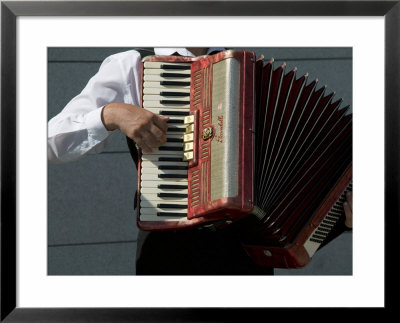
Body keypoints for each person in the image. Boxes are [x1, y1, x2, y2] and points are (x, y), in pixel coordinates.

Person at [48, 47, 352, 275]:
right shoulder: (133, 64)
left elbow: (292, 177)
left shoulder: (244, 68)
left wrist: (344, 217)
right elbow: (50, 141)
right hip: (169, 250)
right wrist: (110, 114)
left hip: (245, 254)